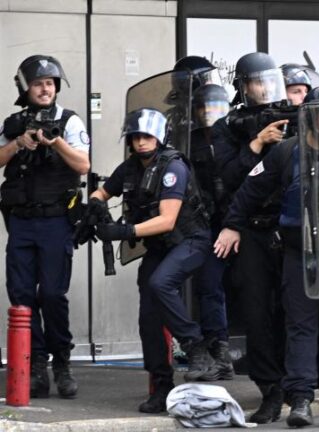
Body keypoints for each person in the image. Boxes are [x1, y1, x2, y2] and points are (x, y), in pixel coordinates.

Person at [214, 86, 319, 428]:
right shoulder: (287, 153)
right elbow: (249, 192)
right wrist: (233, 225)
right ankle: (300, 399)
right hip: (301, 253)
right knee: (300, 327)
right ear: (310, 119)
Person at [89, 108, 215, 413]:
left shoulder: (173, 167)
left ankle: (197, 346)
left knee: (161, 283)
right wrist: (94, 208)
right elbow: (101, 193)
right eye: (135, 137)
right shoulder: (129, 168)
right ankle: (161, 387)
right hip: (160, 248)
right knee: (148, 318)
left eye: (147, 135)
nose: (141, 141)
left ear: (159, 137)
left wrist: (124, 230)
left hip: (191, 241)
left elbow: (168, 220)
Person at [0, 55, 90, 399]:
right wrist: (18, 143)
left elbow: (83, 165)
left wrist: (57, 142)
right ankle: (35, 363)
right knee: (21, 295)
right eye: (39, 83)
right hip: (21, 221)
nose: (45, 89)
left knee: (52, 294)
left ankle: (62, 361)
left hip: (56, 221)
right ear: (26, 88)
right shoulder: (13, 123)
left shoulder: (68, 121)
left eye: (50, 83)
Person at [211, 52, 290, 424]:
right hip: (251, 228)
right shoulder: (228, 126)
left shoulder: (290, 114)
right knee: (257, 313)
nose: (264, 88)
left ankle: (296, 383)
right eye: (257, 82)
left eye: (268, 80)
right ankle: (270, 389)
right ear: (243, 86)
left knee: (291, 310)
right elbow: (228, 177)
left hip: (288, 226)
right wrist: (257, 143)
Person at [188, 83, 234, 381]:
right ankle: (219, 349)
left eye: (216, 107)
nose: (209, 113)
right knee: (209, 285)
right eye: (204, 108)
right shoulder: (189, 141)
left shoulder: (236, 136)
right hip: (206, 221)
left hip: (239, 220)